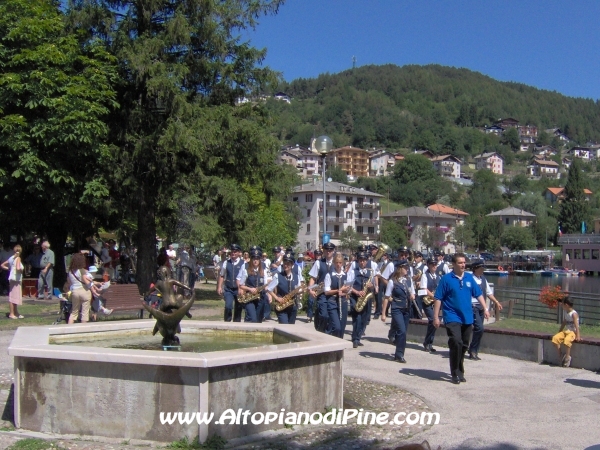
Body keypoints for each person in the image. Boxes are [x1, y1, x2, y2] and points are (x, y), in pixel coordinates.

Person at [433, 253, 489, 384]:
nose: (463, 265)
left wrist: (485, 308)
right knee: (456, 341)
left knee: (464, 345)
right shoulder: (446, 279)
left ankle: (459, 368)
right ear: (454, 264)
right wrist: (436, 317)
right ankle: (455, 372)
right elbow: (438, 298)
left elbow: (479, 294)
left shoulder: (469, 278)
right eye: (460, 263)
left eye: (464, 262)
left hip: (467, 317)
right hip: (452, 315)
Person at [468, 259, 503, 360]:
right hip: (472, 306)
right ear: (475, 268)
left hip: (481, 308)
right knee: (479, 328)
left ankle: (473, 349)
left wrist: (496, 302)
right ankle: (473, 351)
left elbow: (488, 293)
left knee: (479, 330)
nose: (482, 270)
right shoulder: (470, 279)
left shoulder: (483, 279)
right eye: (481, 268)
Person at [381, 259, 413, 363]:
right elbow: (386, 297)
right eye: (405, 268)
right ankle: (399, 354)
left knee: (403, 333)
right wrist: (383, 313)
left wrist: (413, 295)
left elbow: (412, 292)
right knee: (401, 330)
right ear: (400, 269)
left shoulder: (408, 280)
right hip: (397, 309)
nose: (407, 269)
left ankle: (399, 353)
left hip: (407, 309)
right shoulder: (392, 281)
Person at [267, 252, 302, 324]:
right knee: (284, 325)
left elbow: (298, 290)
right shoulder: (278, 276)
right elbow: (269, 289)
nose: (286, 265)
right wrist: (277, 298)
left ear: (292, 265)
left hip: (292, 306)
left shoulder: (297, 277)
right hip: (281, 305)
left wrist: (302, 291)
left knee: (291, 329)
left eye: (288, 264)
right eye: (285, 263)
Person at [308, 242, 336, 332]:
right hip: (321, 293)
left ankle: (327, 333)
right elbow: (313, 278)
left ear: (333, 251)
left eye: (330, 250)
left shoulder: (337, 263)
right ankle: (320, 329)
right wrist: (310, 290)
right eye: (326, 250)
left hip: (333, 293)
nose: (328, 251)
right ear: (323, 251)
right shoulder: (318, 263)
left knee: (331, 316)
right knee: (324, 315)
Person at [349, 251, 375, 347]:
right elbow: (348, 286)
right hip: (355, 297)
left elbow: (374, 286)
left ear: (367, 261)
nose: (362, 262)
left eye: (364, 260)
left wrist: (371, 285)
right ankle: (355, 338)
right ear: (358, 261)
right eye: (360, 260)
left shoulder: (370, 272)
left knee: (364, 319)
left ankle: (358, 337)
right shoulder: (353, 272)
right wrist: (357, 292)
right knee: (357, 318)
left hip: (366, 298)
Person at [237, 246, 268, 323]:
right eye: (254, 258)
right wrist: (250, 289)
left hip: (260, 297)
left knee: (258, 320)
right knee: (252, 318)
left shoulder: (264, 269)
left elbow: (266, 282)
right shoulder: (246, 269)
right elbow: (241, 285)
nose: (255, 261)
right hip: (250, 297)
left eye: (257, 259)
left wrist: (267, 289)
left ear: (260, 259)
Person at [324, 254, 351, 339]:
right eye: (336, 263)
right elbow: (327, 292)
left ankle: (339, 346)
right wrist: (338, 290)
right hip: (332, 303)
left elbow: (348, 289)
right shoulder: (329, 275)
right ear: (333, 263)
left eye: (340, 262)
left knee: (342, 328)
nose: (338, 265)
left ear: (342, 263)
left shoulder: (345, 275)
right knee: (337, 327)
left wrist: (346, 293)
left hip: (343, 302)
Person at [217, 244, 244, 322]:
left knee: (238, 307)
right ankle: (227, 321)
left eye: (235, 252)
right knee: (228, 306)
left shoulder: (243, 263)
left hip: (238, 289)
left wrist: (243, 289)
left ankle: (236, 323)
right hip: (228, 288)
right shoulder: (226, 263)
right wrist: (219, 287)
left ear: (239, 253)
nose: (233, 253)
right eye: (232, 251)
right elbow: (222, 275)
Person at [551, 297, 580, 368]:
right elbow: (564, 323)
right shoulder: (567, 313)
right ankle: (560, 355)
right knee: (555, 338)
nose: (561, 305)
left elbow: (576, 326)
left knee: (567, 341)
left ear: (566, 305)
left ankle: (567, 357)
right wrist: (559, 332)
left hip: (572, 332)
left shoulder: (574, 314)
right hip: (567, 331)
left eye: (562, 304)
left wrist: (578, 335)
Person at [67, 253, 94, 324]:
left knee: (74, 312)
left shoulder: (70, 271)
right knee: (85, 312)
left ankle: (69, 328)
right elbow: (87, 282)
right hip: (84, 291)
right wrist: (91, 281)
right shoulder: (82, 270)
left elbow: (69, 282)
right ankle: (83, 329)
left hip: (75, 292)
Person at [420, 258, 440, 353]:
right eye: (432, 264)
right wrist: (434, 296)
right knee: (432, 319)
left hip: (435, 302)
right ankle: (427, 342)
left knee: (435, 322)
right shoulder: (425, 275)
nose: (434, 266)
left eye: (435, 264)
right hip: (427, 301)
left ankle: (430, 343)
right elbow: (424, 288)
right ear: (428, 265)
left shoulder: (438, 276)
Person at [1, 244, 24, 319]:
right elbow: (18, 268)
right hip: (16, 279)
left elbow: (2, 265)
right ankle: (11, 313)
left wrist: (9, 269)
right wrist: (21, 270)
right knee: (13, 296)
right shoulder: (18, 258)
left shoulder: (11, 258)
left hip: (12, 278)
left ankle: (16, 312)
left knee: (15, 296)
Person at [305, 249, 322, 323]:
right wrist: (309, 287)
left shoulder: (322, 262)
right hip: (315, 284)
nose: (318, 256)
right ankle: (309, 315)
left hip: (320, 284)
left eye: (319, 255)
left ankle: (318, 315)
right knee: (310, 300)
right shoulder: (314, 263)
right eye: (317, 255)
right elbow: (312, 276)